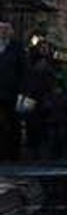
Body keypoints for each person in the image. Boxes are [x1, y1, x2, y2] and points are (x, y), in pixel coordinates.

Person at [0, 22, 25, 160]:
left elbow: (23, 70)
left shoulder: (17, 48)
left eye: (5, 30)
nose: (2, 32)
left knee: (13, 123)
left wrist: (22, 89)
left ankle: (13, 153)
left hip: (12, 92)